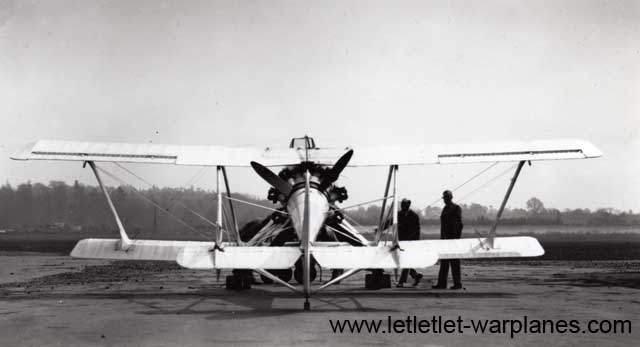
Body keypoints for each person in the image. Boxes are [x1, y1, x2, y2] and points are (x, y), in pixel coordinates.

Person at [432, 190, 464, 290]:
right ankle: (441, 284)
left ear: (450, 197)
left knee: (455, 263)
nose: (445, 199)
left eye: (446, 197)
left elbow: (459, 225)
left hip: (453, 240)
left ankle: (457, 284)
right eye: (444, 198)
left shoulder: (456, 208)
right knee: (444, 263)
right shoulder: (445, 209)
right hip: (445, 239)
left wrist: (455, 238)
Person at [395, 198, 423, 287]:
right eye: (402, 205)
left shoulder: (414, 216)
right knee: (405, 261)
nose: (402, 206)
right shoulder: (398, 214)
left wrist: (414, 242)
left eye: (404, 205)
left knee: (406, 261)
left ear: (408, 205)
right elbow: (390, 222)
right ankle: (415, 275)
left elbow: (417, 230)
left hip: (411, 242)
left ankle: (401, 282)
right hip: (402, 242)